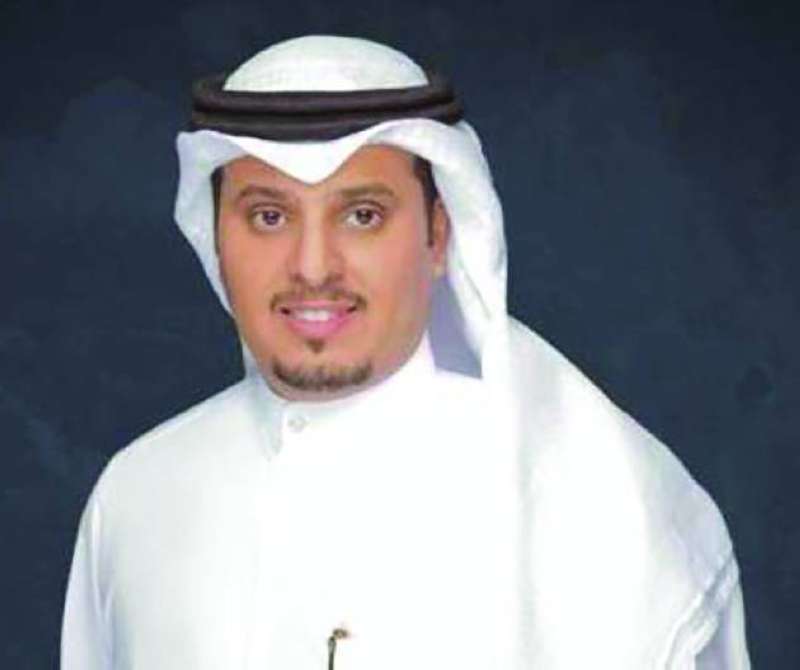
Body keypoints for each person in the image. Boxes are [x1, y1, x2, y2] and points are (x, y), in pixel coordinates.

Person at [61, 35, 751, 669]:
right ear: (215, 237)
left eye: (362, 215)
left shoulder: (608, 511)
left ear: (438, 234)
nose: (312, 266)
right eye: (269, 217)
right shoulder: (137, 497)